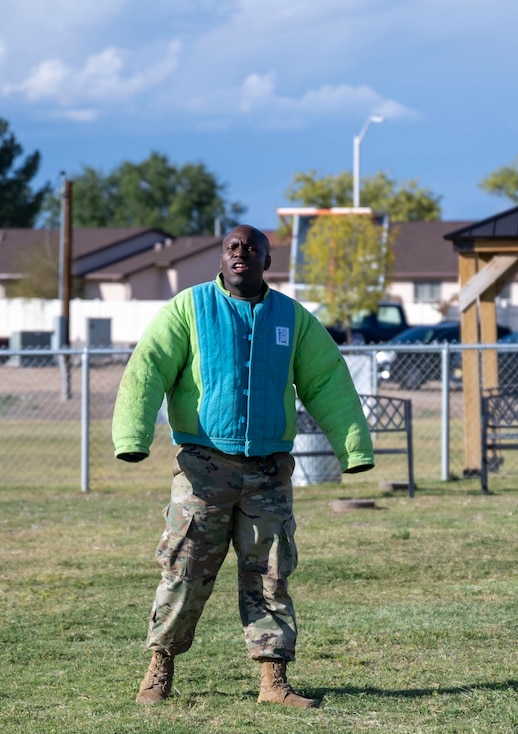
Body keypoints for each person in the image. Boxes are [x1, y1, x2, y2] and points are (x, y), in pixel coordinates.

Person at [113, 224, 373, 708]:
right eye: (232, 247)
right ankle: (160, 667)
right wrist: (133, 437)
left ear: (267, 261)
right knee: (185, 569)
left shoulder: (291, 319)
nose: (241, 254)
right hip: (203, 469)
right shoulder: (189, 309)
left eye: (252, 249)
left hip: (268, 471)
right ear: (221, 257)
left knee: (271, 574)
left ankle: (273, 681)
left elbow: (327, 380)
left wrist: (353, 448)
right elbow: (147, 367)